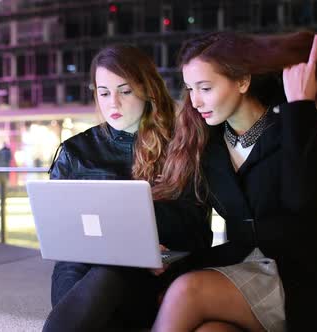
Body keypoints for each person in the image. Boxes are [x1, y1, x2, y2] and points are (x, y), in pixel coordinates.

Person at [151, 31, 317, 331]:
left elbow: (304, 202)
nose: (195, 100)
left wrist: (300, 107)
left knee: (186, 292)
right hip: (242, 266)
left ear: (242, 81)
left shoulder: (296, 124)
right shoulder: (206, 146)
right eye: (190, 88)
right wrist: (156, 248)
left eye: (205, 87)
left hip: (306, 278)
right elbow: (187, 212)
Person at [43, 45, 213, 331]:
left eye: (125, 91)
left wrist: (149, 249)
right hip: (80, 267)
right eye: (104, 92)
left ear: (147, 90)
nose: (114, 104)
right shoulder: (75, 151)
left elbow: (198, 232)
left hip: (152, 272)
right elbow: (59, 232)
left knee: (112, 272)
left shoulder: (180, 147)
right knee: (94, 280)